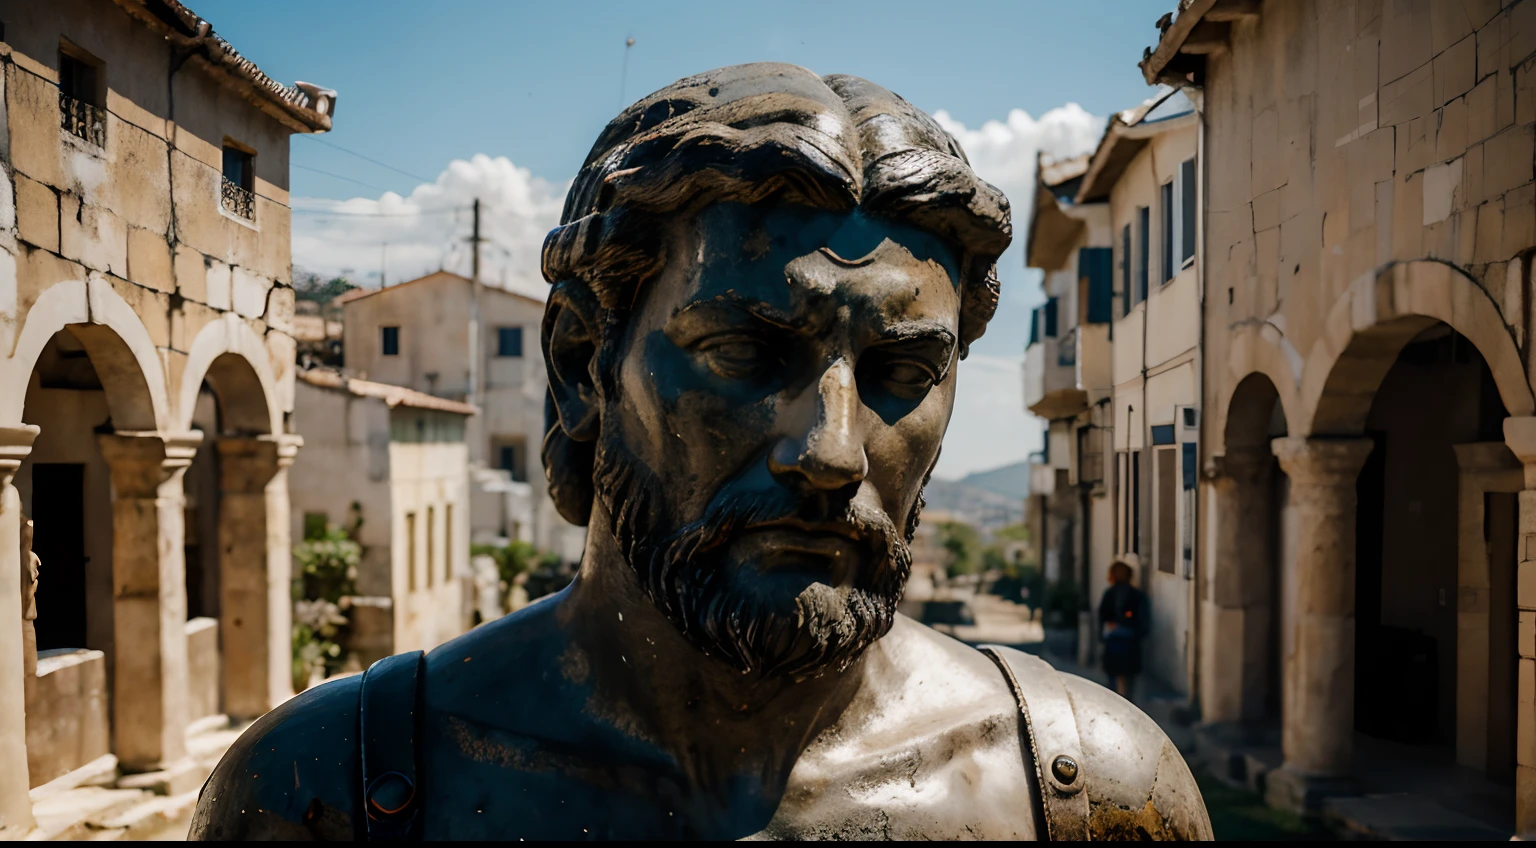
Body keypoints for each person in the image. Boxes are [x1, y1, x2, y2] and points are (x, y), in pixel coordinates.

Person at [189, 64, 1210, 841]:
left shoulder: (1096, 792)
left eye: (903, 369)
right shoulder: (317, 792)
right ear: (584, 361)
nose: (834, 451)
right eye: (747, 351)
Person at [1099, 560, 1149, 701]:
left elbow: (1102, 617)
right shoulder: (1137, 595)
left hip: (1113, 642)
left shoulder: (1109, 593)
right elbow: (1143, 621)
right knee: (1129, 682)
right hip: (1130, 643)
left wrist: (1103, 636)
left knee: (1112, 683)